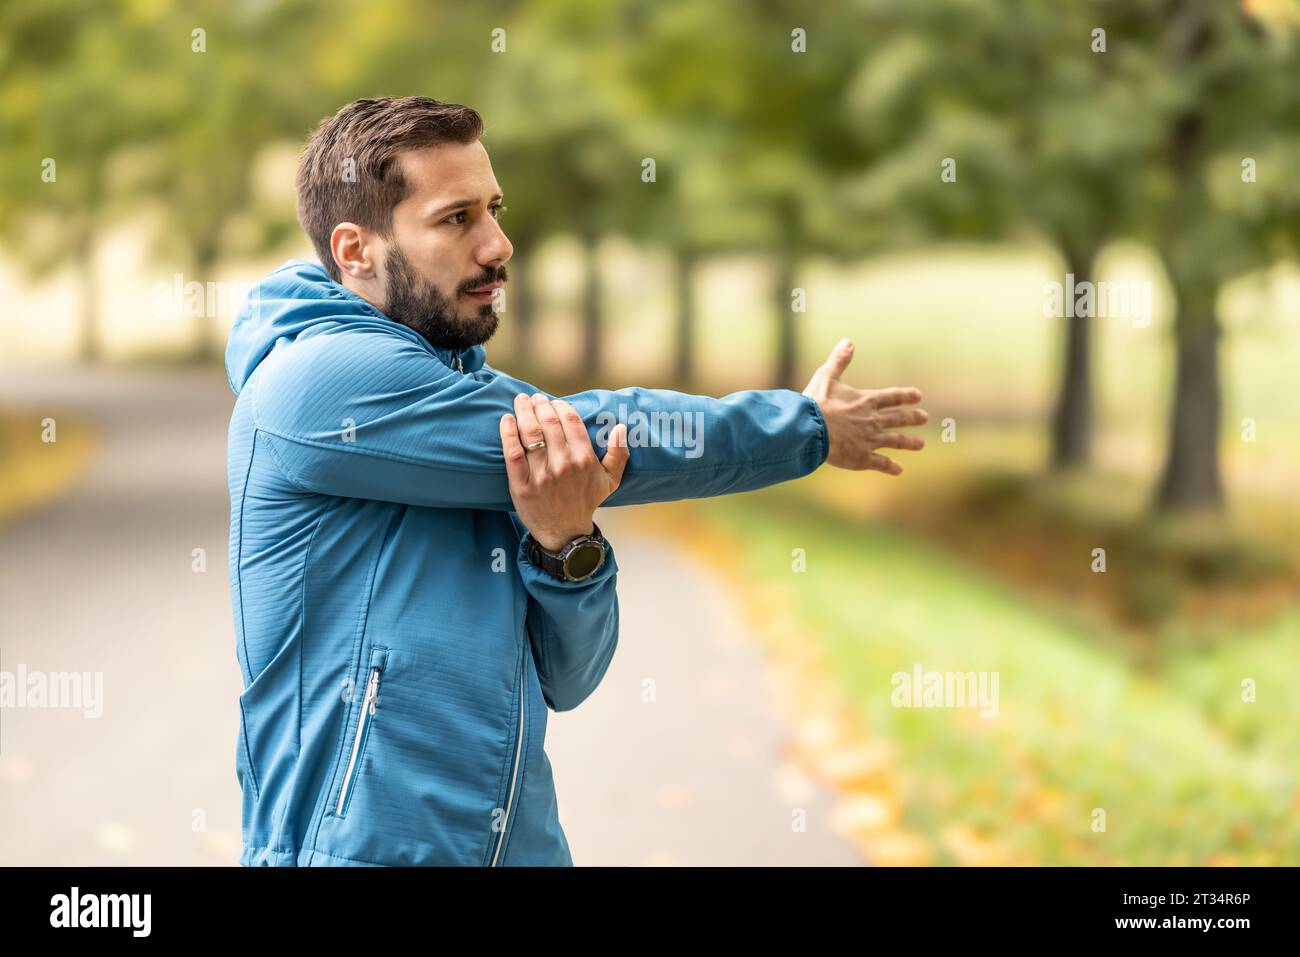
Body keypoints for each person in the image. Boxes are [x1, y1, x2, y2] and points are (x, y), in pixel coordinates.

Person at [225, 95, 927, 866]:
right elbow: (608, 430)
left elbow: (568, 675)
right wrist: (806, 429)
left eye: (493, 209)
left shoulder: (458, 405)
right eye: (456, 219)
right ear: (355, 250)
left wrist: (569, 545)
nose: (499, 244)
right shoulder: (316, 384)